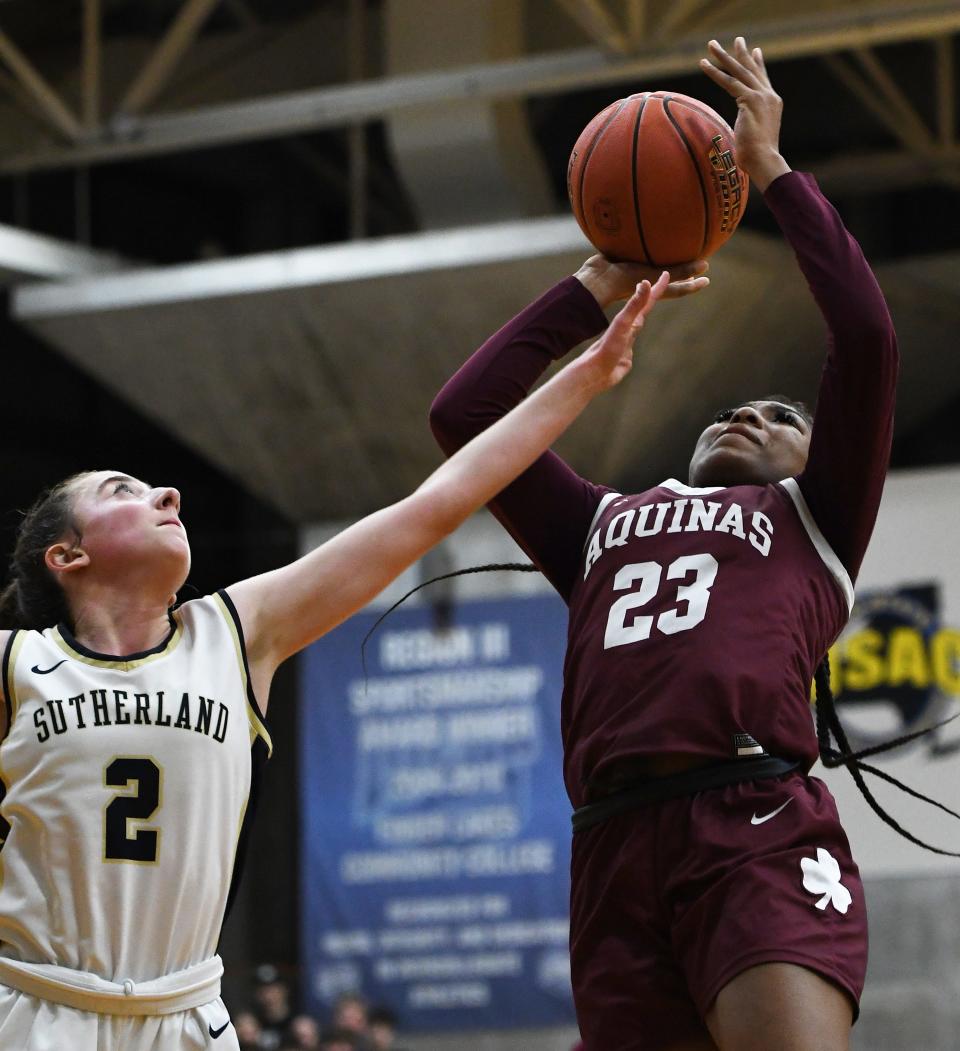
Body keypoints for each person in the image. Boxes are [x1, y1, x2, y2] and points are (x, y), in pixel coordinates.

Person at [0, 268, 685, 1051]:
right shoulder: (17, 664)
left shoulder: (236, 631)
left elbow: (437, 501)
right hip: (37, 1010)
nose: (168, 496)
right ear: (66, 554)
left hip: (184, 1016)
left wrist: (586, 377)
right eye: (124, 490)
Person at [429, 37, 898, 1051]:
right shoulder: (595, 524)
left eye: (782, 413)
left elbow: (865, 338)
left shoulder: (814, 521)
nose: (749, 414)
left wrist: (772, 174)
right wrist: (593, 287)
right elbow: (465, 417)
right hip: (607, 841)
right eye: (736, 406)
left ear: (819, 457)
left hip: (752, 822)